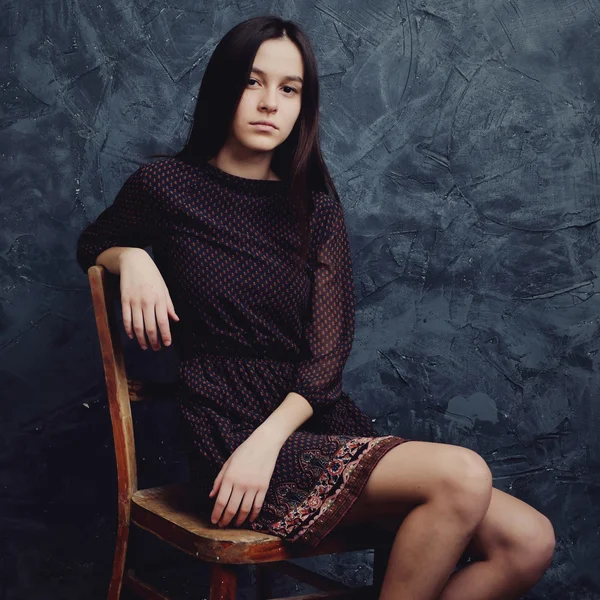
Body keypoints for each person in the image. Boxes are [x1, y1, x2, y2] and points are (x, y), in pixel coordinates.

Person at [76, 15, 555, 600]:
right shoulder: (166, 187)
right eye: (253, 82)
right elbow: (91, 246)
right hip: (224, 436)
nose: (270, 103)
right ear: (223, 88)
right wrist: (132, 257)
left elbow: (328, 356)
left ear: (303, 104)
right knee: (463, 474)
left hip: (298, 429)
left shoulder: (317, 209)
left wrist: (268, 442)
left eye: (289, 88)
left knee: (527, 540)